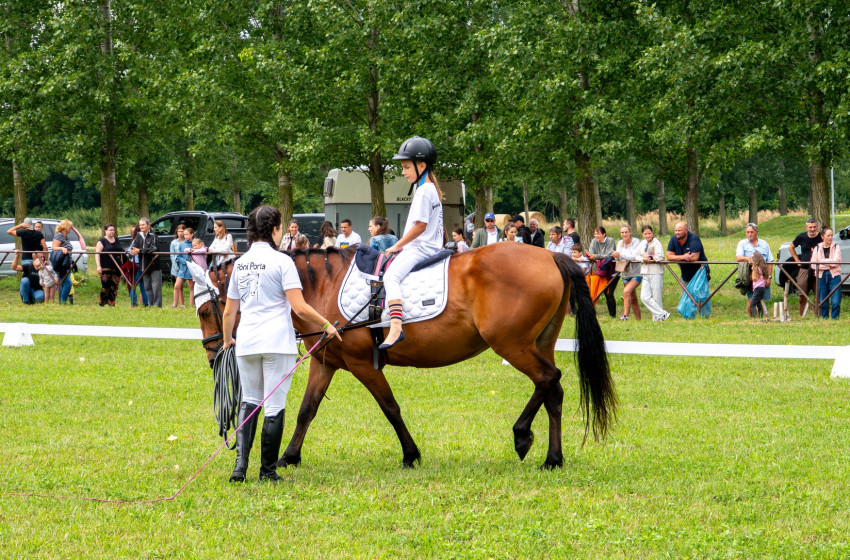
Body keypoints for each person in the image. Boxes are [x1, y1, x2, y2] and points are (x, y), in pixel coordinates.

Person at [222, 205, 341, 483]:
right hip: (276, 342)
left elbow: (229, 312)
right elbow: (299, 308)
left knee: (250, 401)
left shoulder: (240, 263)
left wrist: (228, 340)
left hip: (247, 341)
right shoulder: (282, 262)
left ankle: (240, 467)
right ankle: (267, 471)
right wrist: (326, 324)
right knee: (274, 406)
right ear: (275, 230)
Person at [381, 136, 444, 349]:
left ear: (421, 166)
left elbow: (420, 226)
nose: (403, 172)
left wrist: (397, 245)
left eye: (406, 167)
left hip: (420, 248)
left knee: (391, 276)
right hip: (430, 246)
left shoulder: (424, 191)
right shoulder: (430, 188)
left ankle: (396, 326)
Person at [735, 223, 774, 314]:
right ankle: (753, 318)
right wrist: (748, 259)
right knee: (751, 299)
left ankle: (761, 317)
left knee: (761, 300)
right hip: (750, 276)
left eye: (752, 232)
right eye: (747, 232)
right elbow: (738, 257)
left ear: (757, 232)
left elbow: (770, 261)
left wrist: (768, 277)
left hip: (763, 277)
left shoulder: (764, 244)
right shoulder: (742, 243)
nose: (749, 234)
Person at [789, 217, 823, 316]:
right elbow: (791, 247)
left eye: (814, 227)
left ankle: (818, 315)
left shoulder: (821, 237)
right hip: (804, 268)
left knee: (818, 296)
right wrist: (797, 260)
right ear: (806, 227)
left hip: (818, 268)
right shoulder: (801, 237)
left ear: (817, 227)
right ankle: (802, 316)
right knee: (802, 295)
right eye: (810, 227)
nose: (812, 229)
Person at [636, 225, 669, 321]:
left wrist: (650, 258)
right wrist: (643, 259)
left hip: (656, 272)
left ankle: (657, 318)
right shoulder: (642, 243)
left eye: (649, 233)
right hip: (645, 272)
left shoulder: (656, 243)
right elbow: (636, 255)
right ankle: (662, 314)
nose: (647, 235)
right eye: (645, 234)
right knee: (644, 297)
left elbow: (660, 256)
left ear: (652, 233)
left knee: (656, 296)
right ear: (642, 234)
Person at [130, 217, 162, 307]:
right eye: (140, 225)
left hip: (154, 264)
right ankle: (150, 304)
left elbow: (154, 248)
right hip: (143, 265)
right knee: (147, 286)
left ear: (148, 225)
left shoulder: (153, 235)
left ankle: (157, 306)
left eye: (143, 225)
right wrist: (134, 251)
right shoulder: (139, 235)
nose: (141, 227)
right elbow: (134, 246)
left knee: (156, 287)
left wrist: (140, 250)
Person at [612, 224, 642, 321]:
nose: (624, 234)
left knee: (626, 291)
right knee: (633, 298)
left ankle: (625, 316)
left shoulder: (636, 242)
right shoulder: (620, 243)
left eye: (626, 232)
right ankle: (638, 320)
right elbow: (618, 258)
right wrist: (616, 256)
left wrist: (620, 254)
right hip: (625, 273)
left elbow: (633, 257)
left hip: (636, 273)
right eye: (622, 232)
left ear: (630, 232)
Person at [811, 226, 842, 319]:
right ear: (822, 236)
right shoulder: (817, 248)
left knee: (836, 300)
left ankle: (835, 318)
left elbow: (837, 262)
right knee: (823, 300)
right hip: (821, 276)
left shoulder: (836, 247)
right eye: (828, 235)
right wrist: (830, 263)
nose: (830, 237)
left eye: (832, 235)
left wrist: (821, 262)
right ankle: (824, 319)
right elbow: (813, 265)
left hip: (834, 276)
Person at [587, 226, 618, 318]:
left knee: (609, 293)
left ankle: (613, 315)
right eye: (595, 234)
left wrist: (596, 256)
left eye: (598, 234)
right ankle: (592, 311)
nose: (596, 236)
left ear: (604, 234)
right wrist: (593, 256)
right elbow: (591, 253)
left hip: (612, 271)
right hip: (601, 271)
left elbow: (609, 254)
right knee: (601, 292)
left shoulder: (610, 241)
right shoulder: (594, 241)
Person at [95, 223, 125, 307]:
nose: (112, 232)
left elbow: (121, 250)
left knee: (114, 286)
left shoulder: (117, 240)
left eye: (113, 230)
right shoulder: (102, 241)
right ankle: (103, 301)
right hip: (105, 266)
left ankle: (112, 302)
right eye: (110, 230)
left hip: (116, 266)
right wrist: (98, 266)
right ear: (105, 231)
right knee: (106, 286)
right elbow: (97, 254)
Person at [52, 219, 75, 304]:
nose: (71, 228)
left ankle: (61, 302)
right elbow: (54, 247)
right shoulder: (59, 235)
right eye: (70, 227)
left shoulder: (65, 237)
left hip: (66, 263)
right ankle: (63, 302)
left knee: (63, 283)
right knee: (68, 283)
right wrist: (62, 248)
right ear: (66, 227)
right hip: (60, 264)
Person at [749, 253, 770, 318]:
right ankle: (761, 317)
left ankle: (755, 317)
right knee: (759, 304)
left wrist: (752, 269)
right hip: (761, 288)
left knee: (752, 304)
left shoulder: (756, 269)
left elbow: (754, 278)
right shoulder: (761, 268)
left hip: (758, 289)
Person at [170, 225, 186, 308]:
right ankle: (180, 304)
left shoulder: (188, 241)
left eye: (182, 231)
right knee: (179, 285)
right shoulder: (174, 242)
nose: (180, 233)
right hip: (176, 265)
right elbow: (172, 255)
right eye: (179, 231)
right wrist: (175, 266)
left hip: (186, 264)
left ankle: (189, 304)